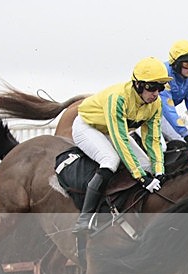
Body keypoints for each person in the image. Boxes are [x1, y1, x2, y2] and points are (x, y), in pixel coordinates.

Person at [71, 57, 170, 233]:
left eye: (160, 88)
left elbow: (153, 139)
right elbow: (120, 140)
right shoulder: (118, 98)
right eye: (151, 87)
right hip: (87, 127)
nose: (155, 93)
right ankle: (84, 219)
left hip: (110, 131)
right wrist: (142, 178)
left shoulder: (156, 104)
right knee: (111, 160)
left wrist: (159, 170)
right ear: (138, 85)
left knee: (147, 165)